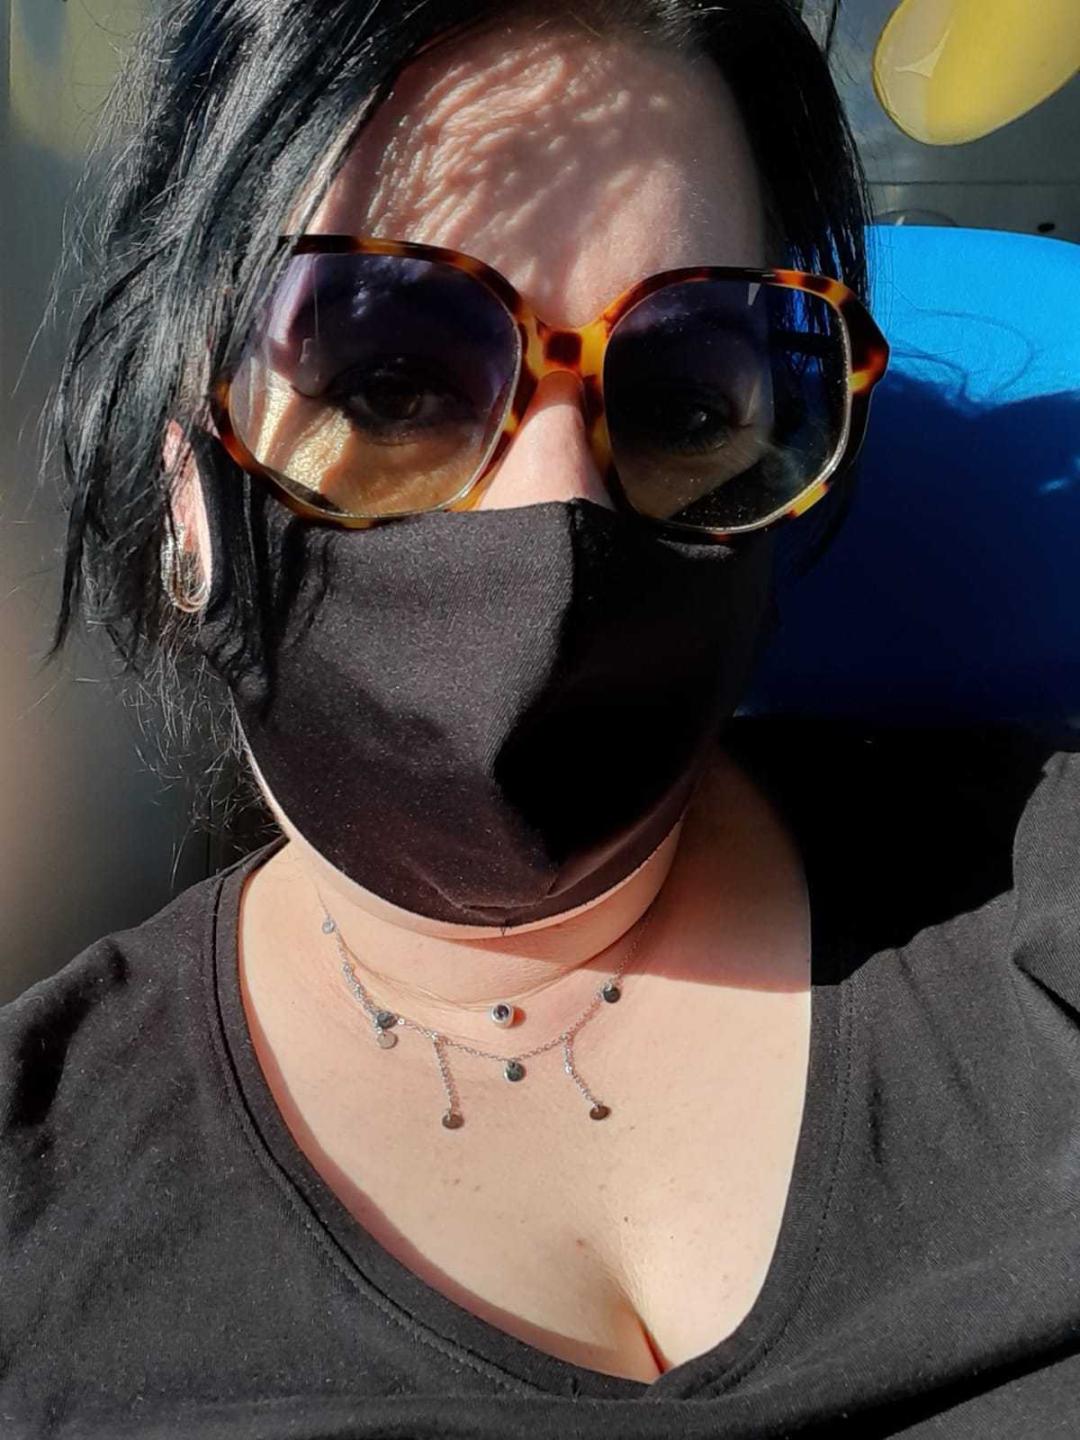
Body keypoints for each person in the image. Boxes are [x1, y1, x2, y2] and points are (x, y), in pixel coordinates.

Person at [3, 1, 1078, 1435]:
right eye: (392, 379)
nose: (559, 504)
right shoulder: (32, 1222)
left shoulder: (1038, 912)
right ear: (191, 497)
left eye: (686, 396)